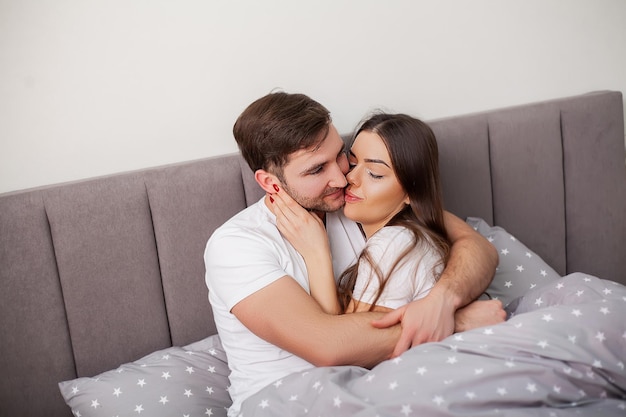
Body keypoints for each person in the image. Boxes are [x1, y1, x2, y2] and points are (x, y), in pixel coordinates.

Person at [204, 91, 501, 416]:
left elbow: (478, 246)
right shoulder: (238, 244)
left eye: (341, 154)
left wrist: (443, 301)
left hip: (366, 393)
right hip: (284, 404)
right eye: (317, 170)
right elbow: (329, 346)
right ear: (270, 182)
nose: (341, 177)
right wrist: (456, 321)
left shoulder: (358, 200)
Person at [270, 113, 452, 316]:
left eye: (374, 173)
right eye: (353, 163)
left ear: (412, 192)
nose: (347, 177)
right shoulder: (404, 235)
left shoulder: (393, 243)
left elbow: (347, 343)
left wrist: (316, 252)